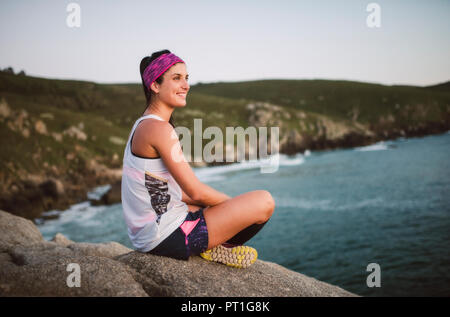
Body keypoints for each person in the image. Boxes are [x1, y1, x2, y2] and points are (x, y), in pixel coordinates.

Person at [121, 49, 275, 268]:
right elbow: (195, 191)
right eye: (177, 78)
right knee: (264, 202)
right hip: (166, 236)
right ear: (155, 85)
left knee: (211, 206)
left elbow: (174, 190)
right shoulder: (158, 128)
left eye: (186, 78)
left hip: (150, 233)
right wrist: (232, 207)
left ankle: (215, 243)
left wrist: (222, 209)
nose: (186, 85)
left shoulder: (143, 124)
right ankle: (219, 248)